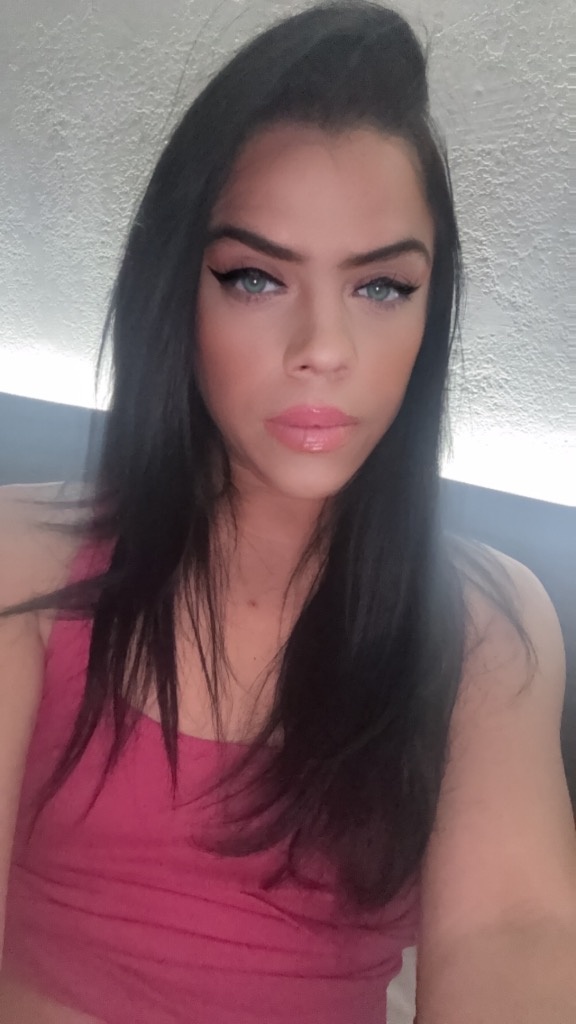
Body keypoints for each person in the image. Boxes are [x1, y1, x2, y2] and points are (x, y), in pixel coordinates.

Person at [0, 2, 574, 1022]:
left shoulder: (488, 623)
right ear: (178, 293)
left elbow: (512, 935)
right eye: (256, 278)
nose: (324, 349)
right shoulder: (22, 561)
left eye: (382, 288)